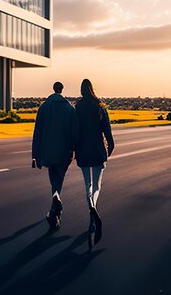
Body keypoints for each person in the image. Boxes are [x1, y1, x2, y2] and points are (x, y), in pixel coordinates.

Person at [32, 81, 78, 230]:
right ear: (62, 90)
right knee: (59, 178)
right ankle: (56, 202)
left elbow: (37, 133)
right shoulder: (69, 109)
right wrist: (75, 150)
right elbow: (74, 133)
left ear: (53, 89)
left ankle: (55, 203)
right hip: (64, 152)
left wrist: (35, 154)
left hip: (48, 151)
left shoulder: (44, 107)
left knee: (54, 177)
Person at [75, 78, 114, 248]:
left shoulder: (77, 107)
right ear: (92, 89)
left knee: (87, 185)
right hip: (98, 150)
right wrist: (110, 148)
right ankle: (94, 209)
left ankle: (91, 207)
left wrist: (73, 149)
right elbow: (107, 130)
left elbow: (75, 130)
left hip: (83, 151)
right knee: (97, 186)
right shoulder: (100, 107)